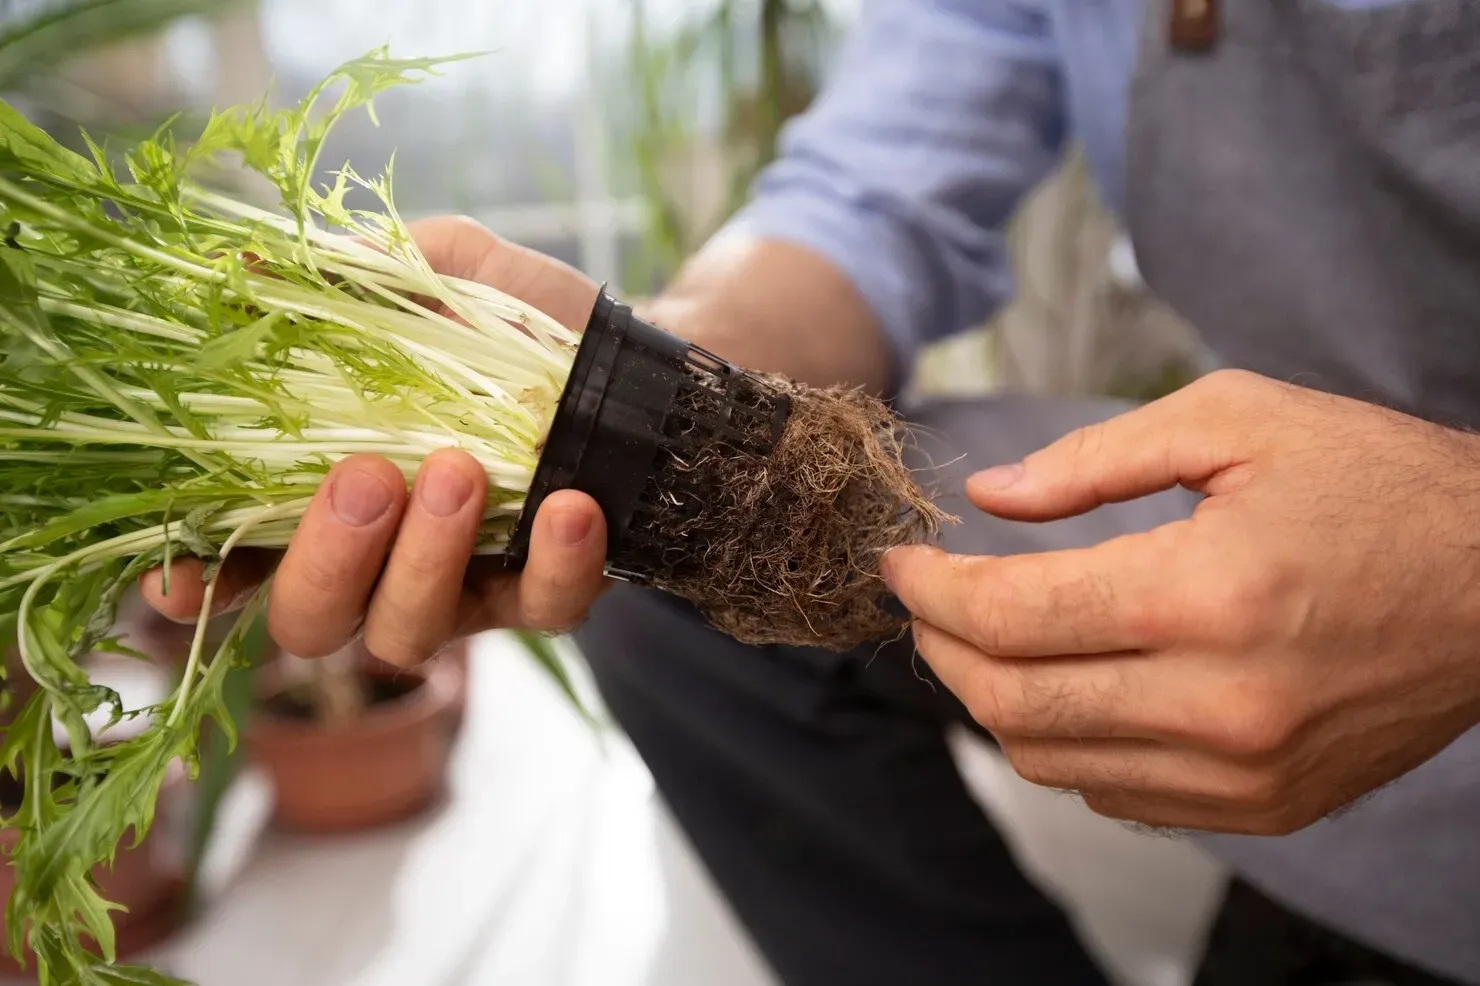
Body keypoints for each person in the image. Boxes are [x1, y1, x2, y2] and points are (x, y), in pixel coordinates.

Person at [145, 0, 1480, 983]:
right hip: (1277, 500)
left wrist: (1458, 566)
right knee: (674, 573)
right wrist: (608, 382)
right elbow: (868, 202)